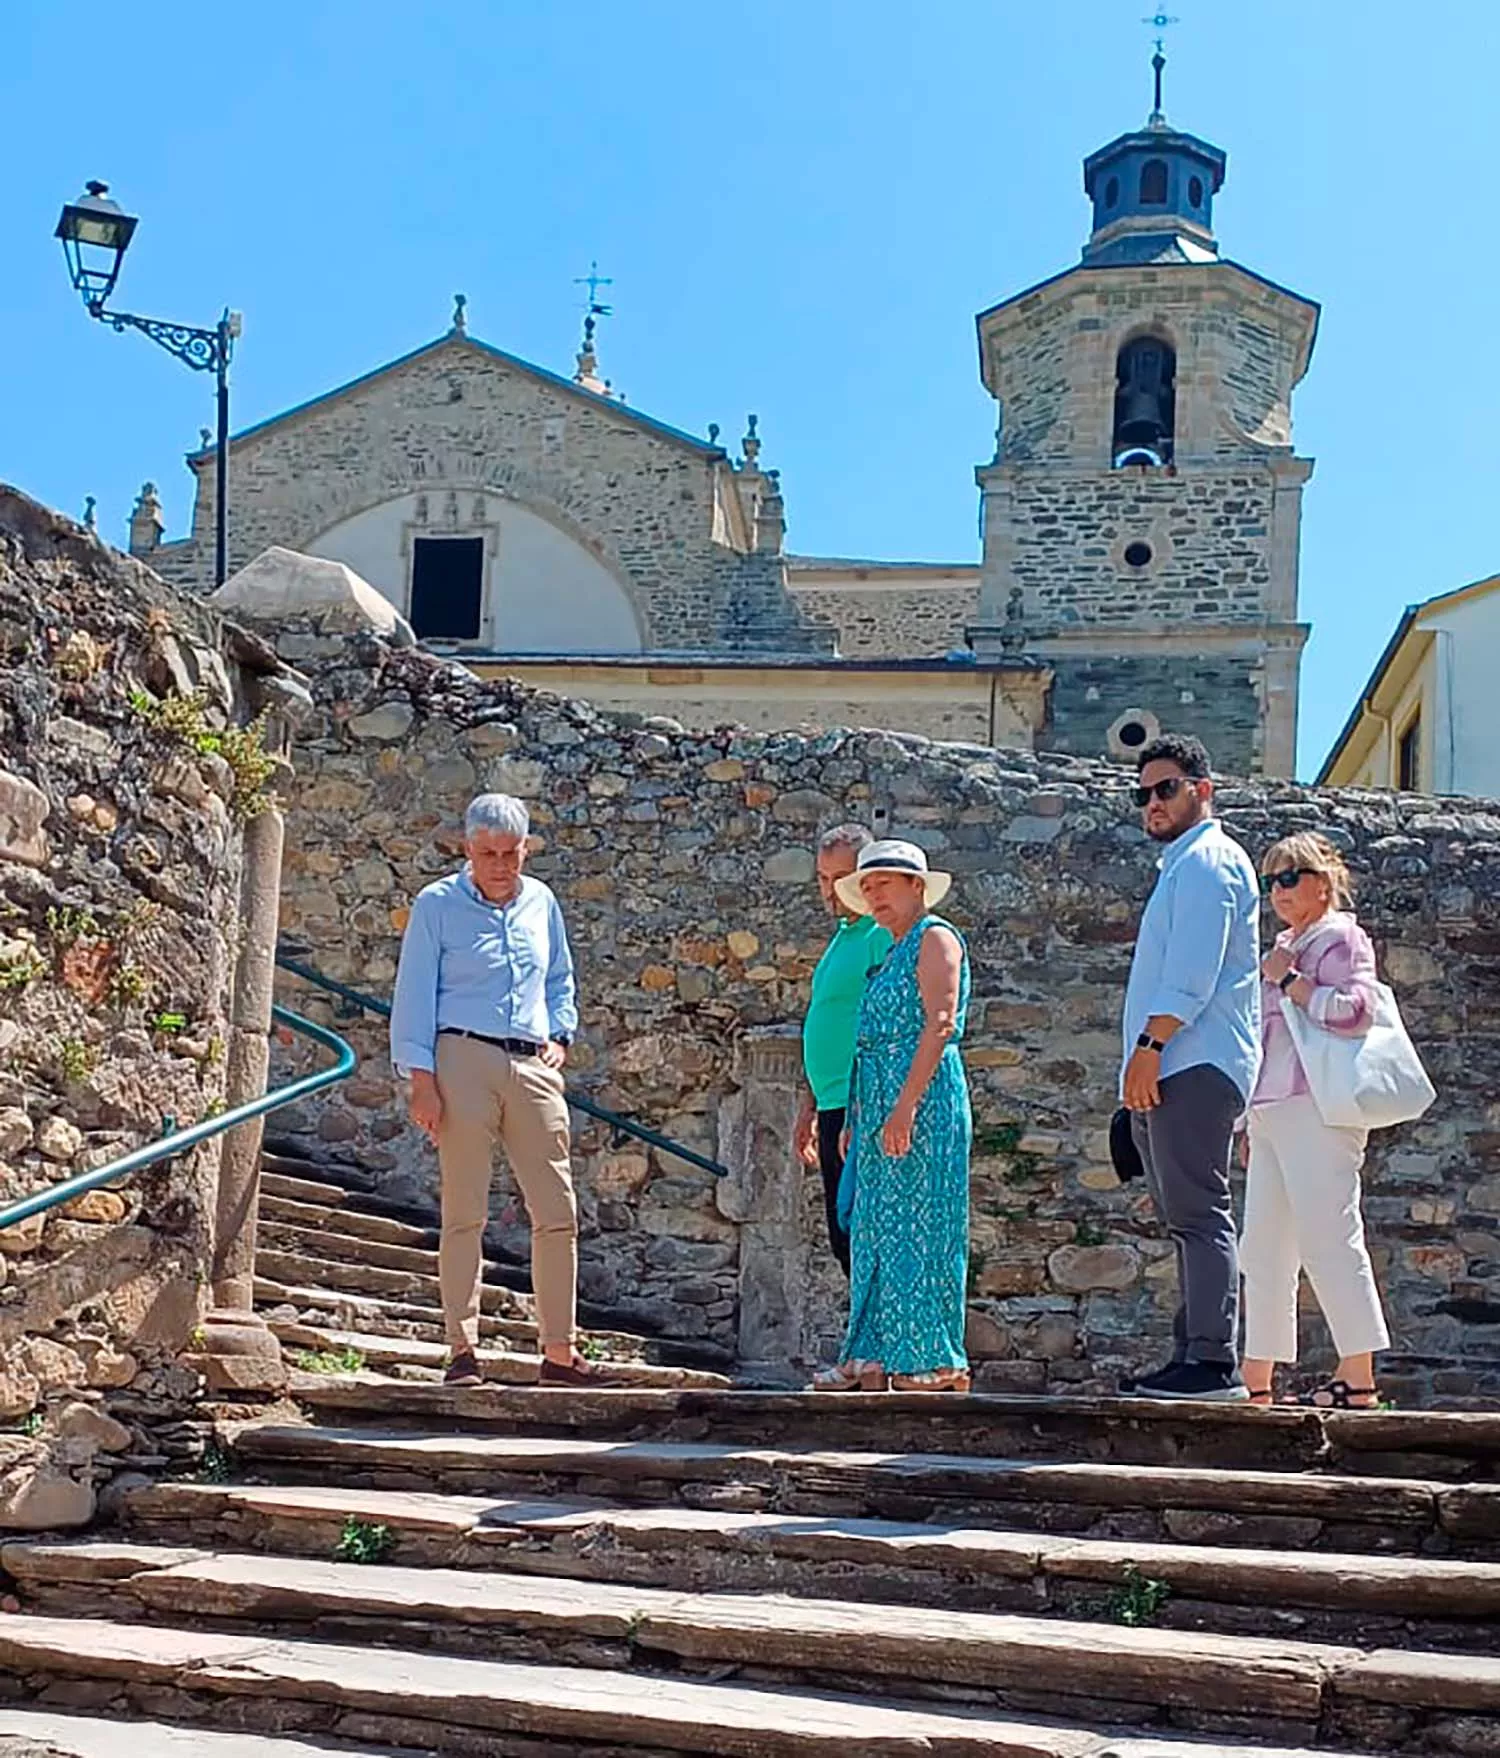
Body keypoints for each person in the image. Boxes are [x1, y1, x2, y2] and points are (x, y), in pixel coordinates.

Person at [389, 792, 613, 1388]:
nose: (500, 865)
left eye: (511, 853)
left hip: (533, 1062)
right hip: (461, 1055)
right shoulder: (436, 905)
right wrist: (420, 1079)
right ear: (468, 849)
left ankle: (559, 1352)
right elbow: (414, 992)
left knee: (557, 1210)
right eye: (488, 853)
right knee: (464, 1211)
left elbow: (560, 975)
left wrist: (560, 1034)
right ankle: (462, 1350)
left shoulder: (541, 901)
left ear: (525, 851)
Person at [1120, 734, 1261, 1402]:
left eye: (1166, 788)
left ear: (1203, 789)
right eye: (1143, 793)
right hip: (1176, 1061)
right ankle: (1193, 1355)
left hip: (1191, 1061)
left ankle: (1212, 1363)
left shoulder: (1209, 862)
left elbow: (1192, 975)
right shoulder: (1184, 865)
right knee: (1187, 1217)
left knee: (1200, 1214)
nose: (1152, 801)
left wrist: (1150, 1050)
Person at [813, 839, 972, 1393]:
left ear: (916, 886)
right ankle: (872, 1353)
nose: (874, 895)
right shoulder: (890, 952)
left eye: (884, 883)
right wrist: (861, 1116)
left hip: (923, 1103)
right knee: (876, 1230)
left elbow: (940, 1023)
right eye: (867, 886)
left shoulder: (935, 937)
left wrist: (906, 1106)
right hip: (879, 1104)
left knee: (923, 1227)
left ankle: (933, 1359)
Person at [1241, 833, 1389, 1409]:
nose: (1277, 890)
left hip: (1319, 1107)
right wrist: (1246, 1122)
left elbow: (1356, 1011)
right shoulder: (1284, 946)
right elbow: (1263, 1039)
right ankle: (1257, 1378)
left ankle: (1359, 1378)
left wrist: (1288, 980)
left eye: (1288, 877)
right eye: (1270, 880)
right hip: (1272, 1109)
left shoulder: (1342, 939)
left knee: (1330, 1235)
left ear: (1322, 885)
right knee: (1264, 1246)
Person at [794, 825, 893, 1277]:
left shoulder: (878, 935)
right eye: (822, 878)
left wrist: (861, 1110)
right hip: (832, 1104)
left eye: (840, 878)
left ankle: (876, 1325)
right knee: (843, 1235)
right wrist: (808, 1107)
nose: (829, 890)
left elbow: (888, 1025)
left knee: (861, 1233)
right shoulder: (843, 936)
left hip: (859, 1106)